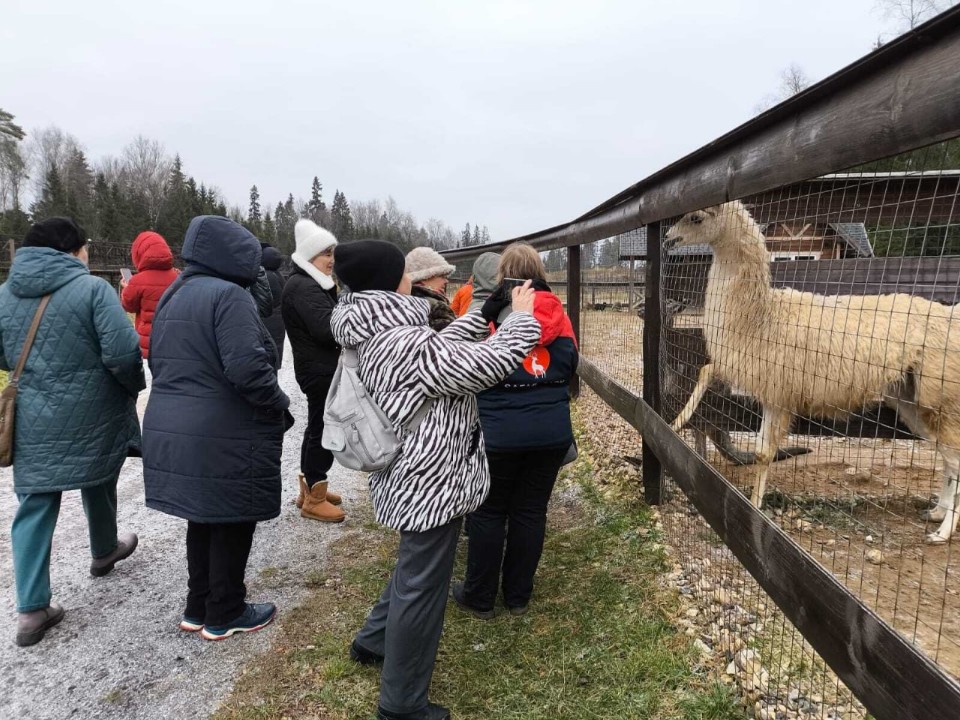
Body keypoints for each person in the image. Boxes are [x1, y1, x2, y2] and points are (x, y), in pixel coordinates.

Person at [331, 239, 541, 720]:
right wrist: (521, 319)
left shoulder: (380, 323)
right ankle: (402, 704)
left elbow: (438, 348)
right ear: (393, 280)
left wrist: (486, 309)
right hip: (429, 478)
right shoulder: (398, 339)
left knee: (415, 566)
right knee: (423, 586)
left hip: (413, 473)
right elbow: (479, 366)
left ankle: (372, 641)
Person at [142, 215, 290, 641]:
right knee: (232, 516)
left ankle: (197, 605)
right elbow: (248, 370)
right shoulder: (230, 296)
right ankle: (225, 610)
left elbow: (158, 358)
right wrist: (278, 405)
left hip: (175, 421)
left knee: (202, 517)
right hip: (224, 426)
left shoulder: (176, 290)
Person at [0, 217, 144, 647]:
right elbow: (122, 352)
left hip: (32, 414)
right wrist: (135, 385)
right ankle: (103, 550)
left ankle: (30, 609)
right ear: (74, 250)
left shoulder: (5, 294)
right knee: (99, 475)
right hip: (93, 409)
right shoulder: (94, 289)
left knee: (35, 502)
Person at [453, 242, 578, 619]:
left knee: (489, 512)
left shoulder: (488, 313)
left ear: (502, 272)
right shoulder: (561, 315)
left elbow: (467, 365)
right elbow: (570, 366)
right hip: (551, 432)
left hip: (499, 431)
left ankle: (479, 596)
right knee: (531, 510)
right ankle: (518, 594)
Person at [281, 219, 344, 522]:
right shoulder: (305, 286)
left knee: (317, 426)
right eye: (325, 253)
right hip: (319, 369)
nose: (331, 260)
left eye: (332, 252)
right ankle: (314, 497)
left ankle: (310, 489)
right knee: (325, 429)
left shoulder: (310, 283)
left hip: (319, 367)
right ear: (309, 256)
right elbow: (327, 329)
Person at [120, 230, 180, 358]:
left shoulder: (138, 280)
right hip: (173, 343)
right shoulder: (178, 277)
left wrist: (126, 288)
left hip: (147, 346)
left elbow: (128, 306)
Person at [404, 246, 457, 331]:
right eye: (442, 276)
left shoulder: (404, 304)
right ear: (425, 278)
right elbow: (456, 337)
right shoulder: (435, 307)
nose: (446, 281)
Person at [260, 244, 287, 367]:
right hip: (279, 319)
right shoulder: (278, 275)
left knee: (266, 355)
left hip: (267, 319)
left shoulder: (264, 276)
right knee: (275, 350)